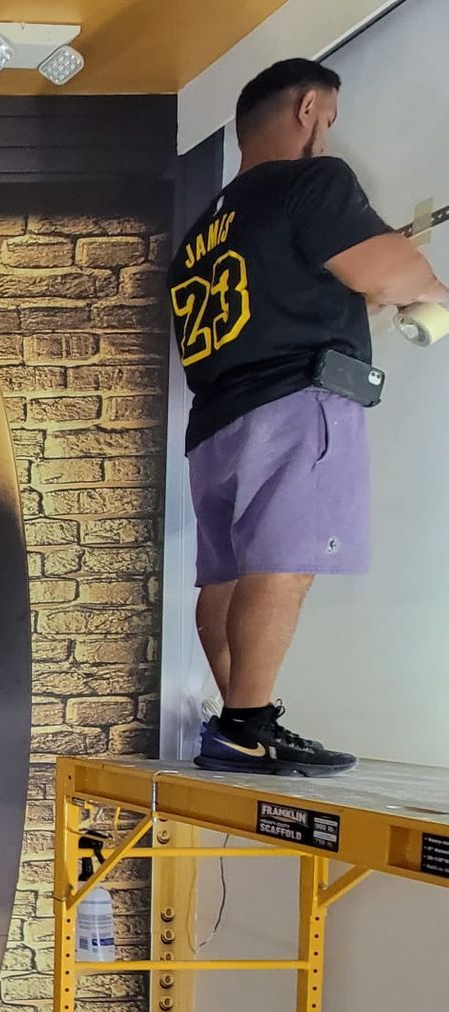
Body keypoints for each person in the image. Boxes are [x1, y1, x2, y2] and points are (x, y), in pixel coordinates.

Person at [168, 58, 447, 776]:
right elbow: (391, 275)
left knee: (227, 576)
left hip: (215, 426)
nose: (328, 131)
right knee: (284, 564)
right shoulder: (313, 182)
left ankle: (239, 719)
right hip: (296, 404)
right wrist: (431, 291)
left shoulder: (199, 237)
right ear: (308, 108)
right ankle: (245, 726)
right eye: (330, 117)